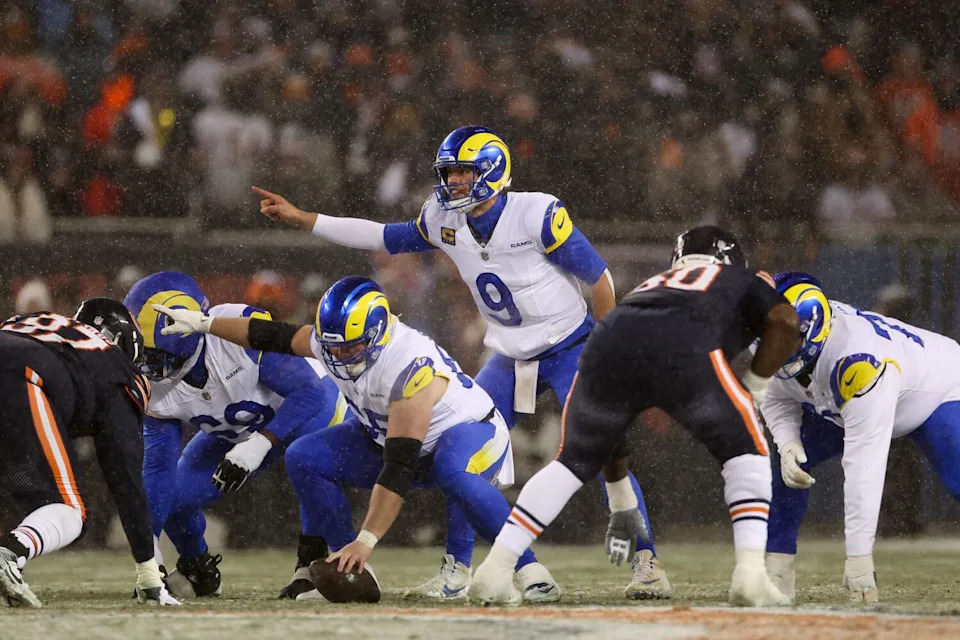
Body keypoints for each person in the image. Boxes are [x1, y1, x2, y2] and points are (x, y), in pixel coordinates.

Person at [250, 125, 666, 599]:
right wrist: (307, 218)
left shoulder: (536, 213)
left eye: (465, 174)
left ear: (494, 170)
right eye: (450, 174)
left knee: (602, 449)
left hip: (568, 345)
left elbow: (600, 278)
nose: (455, 184)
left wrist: (605, 348)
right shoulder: (445, 218)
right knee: (459, 449)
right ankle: (457, 571)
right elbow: (382, 236)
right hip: (509, 354)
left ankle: (646, 561)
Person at [154, 275, 561, 602]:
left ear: (379, 333)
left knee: (452, 470)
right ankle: (342, 563)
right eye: (332, 348)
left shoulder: (408, 367)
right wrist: (206, 325)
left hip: (469, 435)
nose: (340, 358)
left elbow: (399, 466)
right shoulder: (337, 343)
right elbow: (269, 335)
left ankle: (529, 569)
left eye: (350, 349)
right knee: (305, 456)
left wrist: (368, 540)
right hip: (388, 437)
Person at [468, 226, 799, 607]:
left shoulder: (654, 284)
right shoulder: (739, 278)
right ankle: (750, 574)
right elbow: (787, 322)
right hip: (684, 346)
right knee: (748, 449)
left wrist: (622, 501)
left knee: (570, 463)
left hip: (603, 347)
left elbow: (609, 431)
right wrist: (755, 386)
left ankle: (495, 569)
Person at [123, 272, 346, 600]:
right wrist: (148, 553)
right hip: (237, 429)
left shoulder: (234, 330)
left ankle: (313, 562)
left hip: (305, 412)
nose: (144, 366)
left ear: (182, 338)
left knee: (308, 462)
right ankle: (197, 567)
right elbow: (158, 470)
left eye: (152, 356)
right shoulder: (153, 387)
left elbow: (309, 392)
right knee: (175, 498)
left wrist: (260, 443)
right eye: (139, 353)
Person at [762, 273, 960, 604]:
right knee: (788, 468)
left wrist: (858, 560)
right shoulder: (779, 337)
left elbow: (863, 467)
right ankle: (776, 572)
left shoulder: (858, 362)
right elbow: (774, 396)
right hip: (837, 398)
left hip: (935, 389)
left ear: (813, 331)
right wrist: (786, 443)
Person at [0, 298, 179, 607]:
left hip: (15, 357)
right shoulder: (116, 365)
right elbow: (125, 480)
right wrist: (149, 573)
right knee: (71, 508)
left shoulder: (41, 321)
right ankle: (11, 552)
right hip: (21, 372)